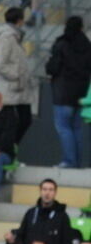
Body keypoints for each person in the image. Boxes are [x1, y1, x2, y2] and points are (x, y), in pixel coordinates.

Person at [45, 16, 91, 168]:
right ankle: (76, 162)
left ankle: (69, 161)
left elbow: (53, 67)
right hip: (81, 93)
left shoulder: (62, 44)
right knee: (76, 128)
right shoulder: (87, 45)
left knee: (64, 128)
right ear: (81, 27)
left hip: (62, 93)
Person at [0, 8, 34, 146]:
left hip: (18, 89)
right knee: (16, 123)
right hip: (10, 88)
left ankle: (10, 149)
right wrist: (15, 74)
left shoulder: (15, 37)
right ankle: (7, 150)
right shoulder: (7, 38)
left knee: (24, 120)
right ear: (20, 20)